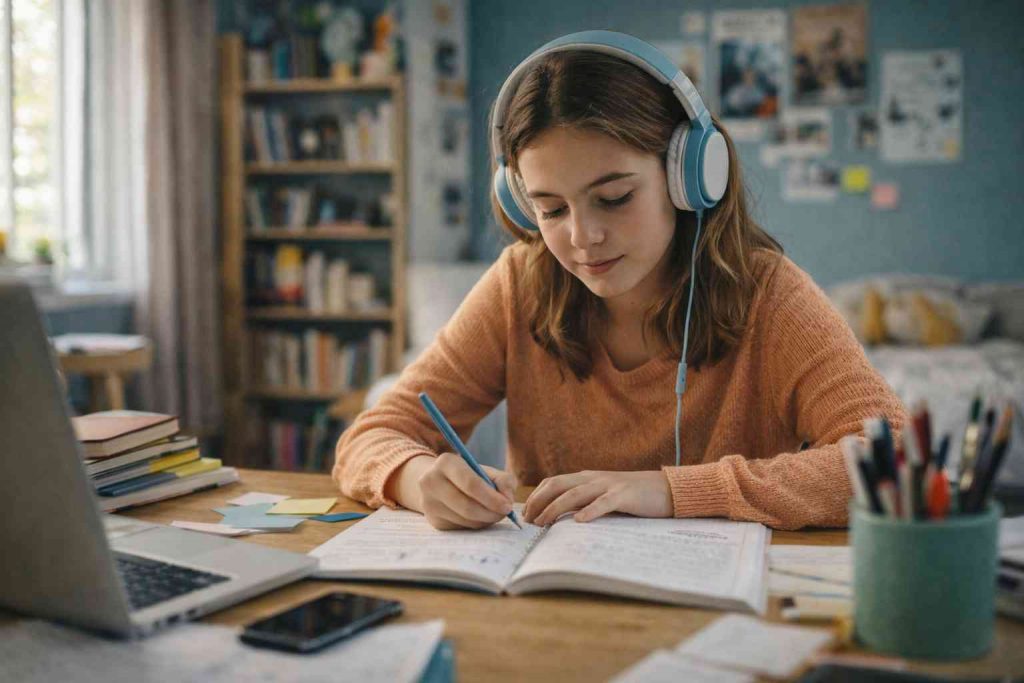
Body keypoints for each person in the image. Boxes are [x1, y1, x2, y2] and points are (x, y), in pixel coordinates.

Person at [332, 32, 905, 532]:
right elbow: (372, 434)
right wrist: (416, 477)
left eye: (614, 198)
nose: (583, 238)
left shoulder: (770, 295)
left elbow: (894, 458)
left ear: (688, 177)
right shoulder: (521, 282)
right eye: (552, 210)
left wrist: (671, 490)